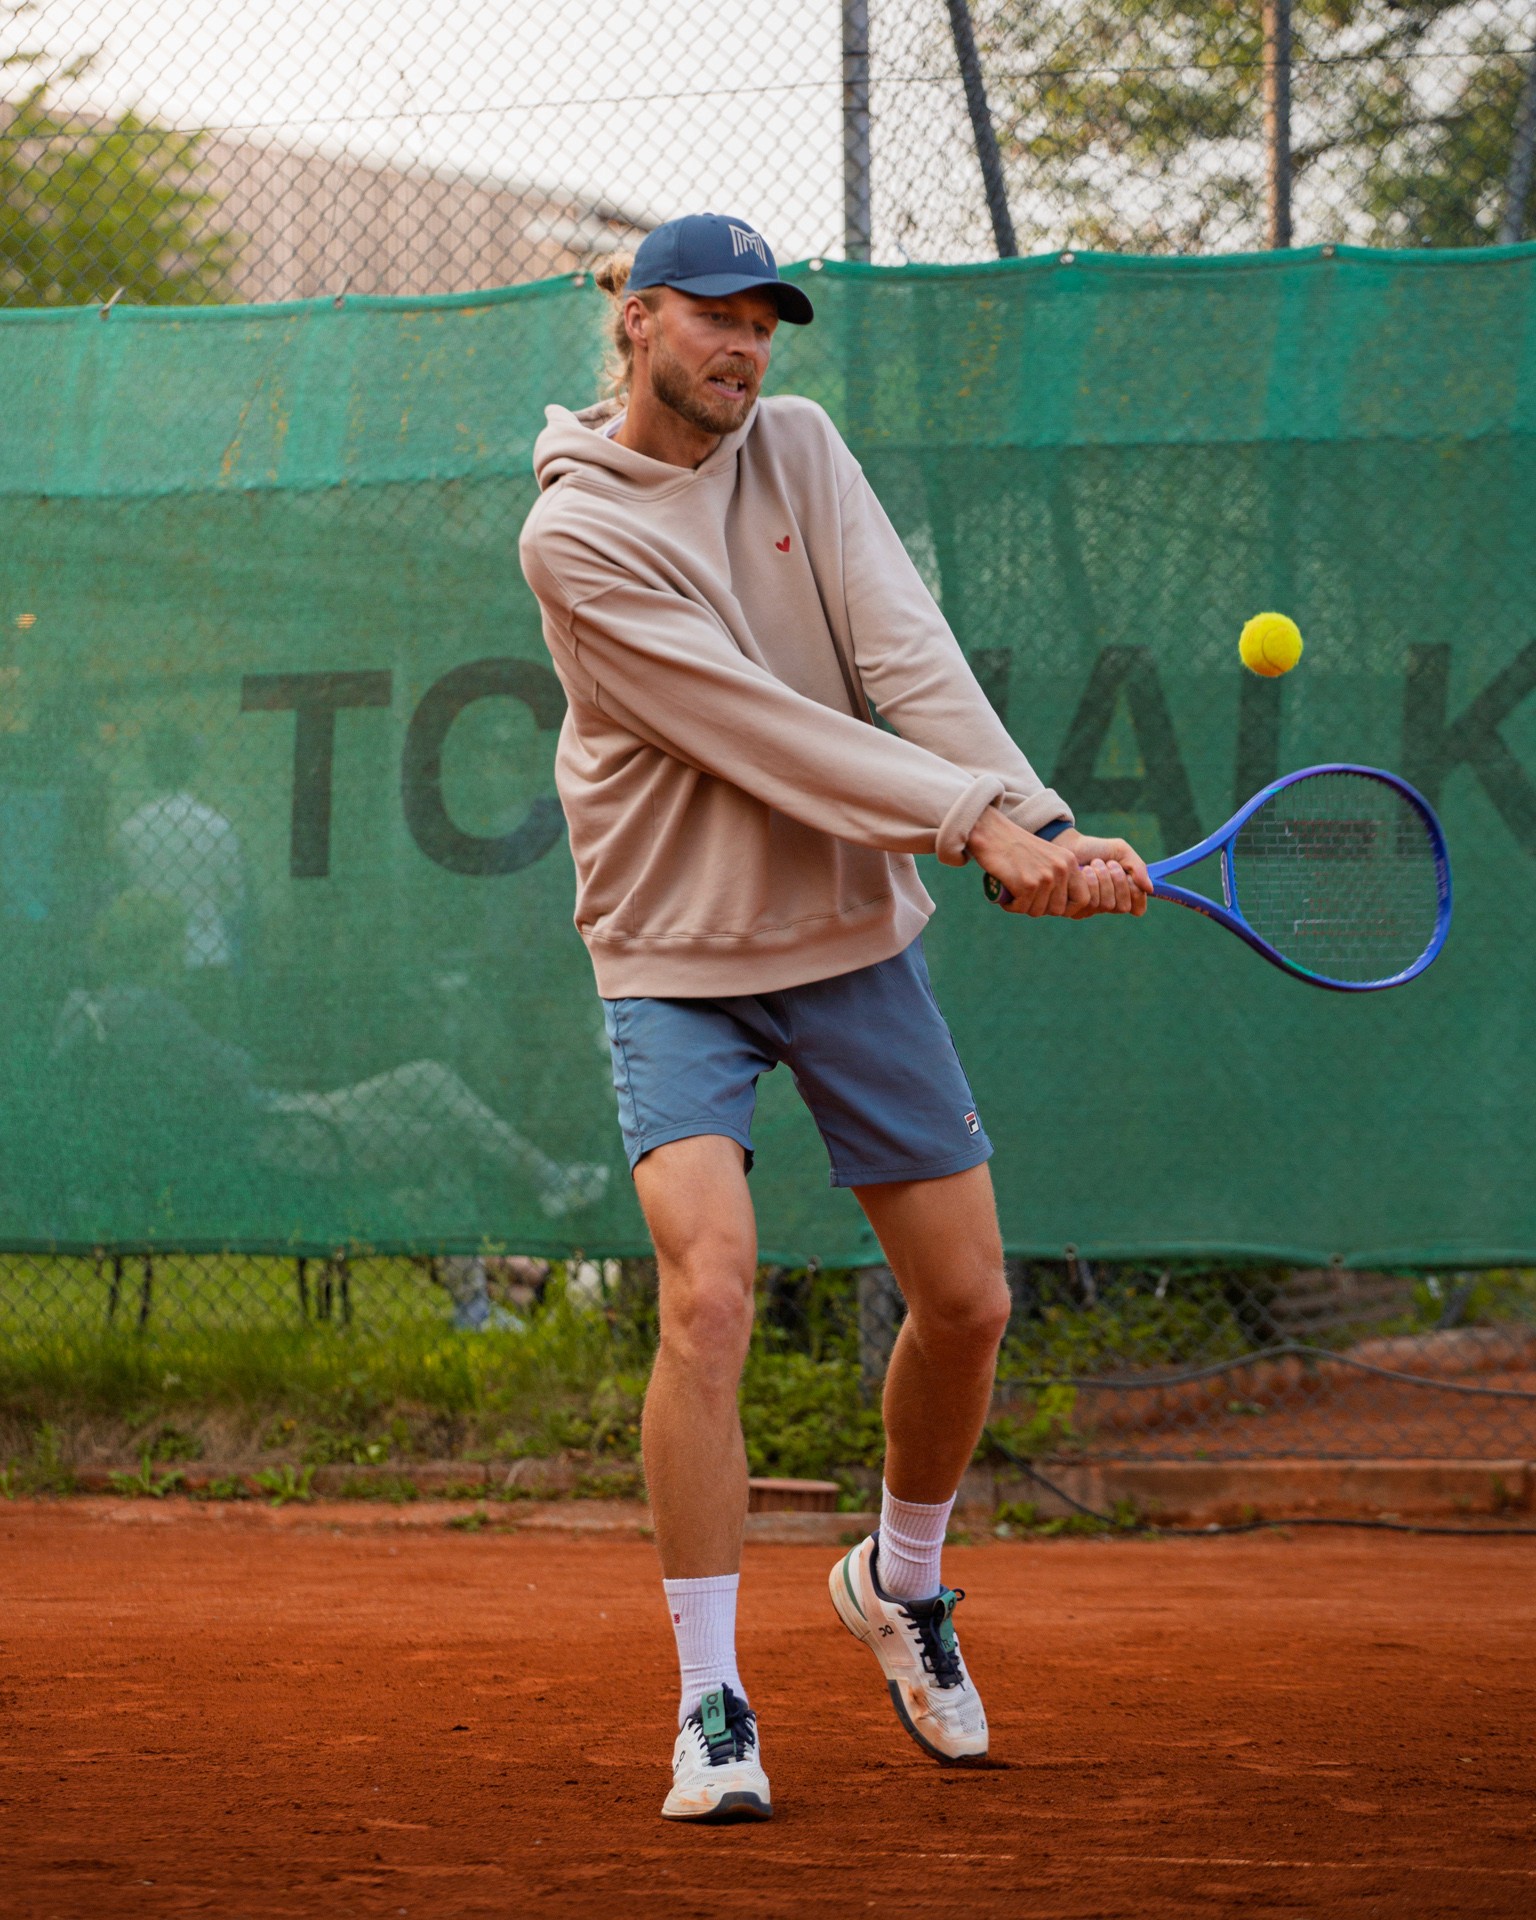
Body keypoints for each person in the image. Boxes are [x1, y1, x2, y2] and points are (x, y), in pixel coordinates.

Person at [519, 212, 1150, 1824]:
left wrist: (1038, 816)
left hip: (848, 936)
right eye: (717, 320)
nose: (746, 349)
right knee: (709, 1292)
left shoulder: (798, 449)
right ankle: (712, 1700)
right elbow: (758, 729)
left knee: (969, 1304)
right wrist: (969, 824)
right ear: (641, 321)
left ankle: (901, 1582)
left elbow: (902, 654)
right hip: (670, 951)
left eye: (767, 325)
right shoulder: (575, 537)